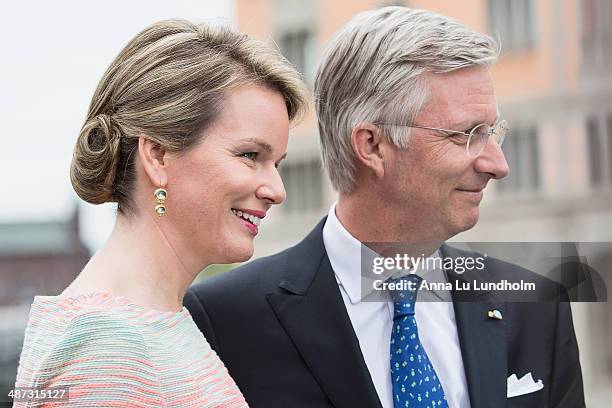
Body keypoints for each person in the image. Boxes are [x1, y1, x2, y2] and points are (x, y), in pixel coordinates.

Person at [185, 6, 585, 408]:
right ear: (372, 146)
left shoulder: (536, 306)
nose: (498, 165)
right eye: (467, 135)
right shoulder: (223, 321)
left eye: (492, 131)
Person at [13, 19, 307, 407]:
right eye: (250, 155)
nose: (277, 190)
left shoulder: (151, 320)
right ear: (158, 156)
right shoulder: (108, 346)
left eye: (277, 163)